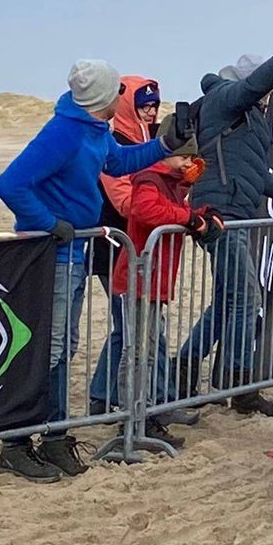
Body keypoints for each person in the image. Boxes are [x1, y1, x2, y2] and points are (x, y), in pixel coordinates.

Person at [0, 59, 189, 482]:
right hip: (51, 254)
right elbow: (10, 184)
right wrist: (48, 224)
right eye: (116, 89)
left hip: (74, 251)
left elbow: (118, 162)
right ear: (102, 96)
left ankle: (56, 437)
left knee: (64, 345)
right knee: (51, 346)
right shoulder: (64, 132)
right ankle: (17, 442)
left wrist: (165, 144)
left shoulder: (95, 130)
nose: (122, 95)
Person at [178, 22, 273, 420]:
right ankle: (240, 387)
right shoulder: (226, 98)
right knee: (247, 298)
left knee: (228, 299)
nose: (270, 93)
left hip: (234, 210)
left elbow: (255, 173)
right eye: (267, 87)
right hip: (220, 213)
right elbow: (256, 84)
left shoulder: (248, 117)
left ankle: (185, 367)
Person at [105, 144, 222, 450]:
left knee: (149, 348)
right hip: (140, 279)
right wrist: (188, 217)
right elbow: (145, 211)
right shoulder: (149, 178)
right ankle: (134, 418)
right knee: (137, 351)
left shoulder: (167, 183)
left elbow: (170, 212)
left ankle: (147, 413)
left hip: (154, 280)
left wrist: (201, 216)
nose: (187, 163)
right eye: (184, 157)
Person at [87, 76, 175, 420]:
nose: (151, 112)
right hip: (115, 249)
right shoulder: (114, 143)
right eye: (144, 105)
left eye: (154, 105)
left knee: (149, 330)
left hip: (143, 248)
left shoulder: (152, 142)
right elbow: (125, 201)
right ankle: (123, 401)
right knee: (131, 330)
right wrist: (161, 203)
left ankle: (159, 398)